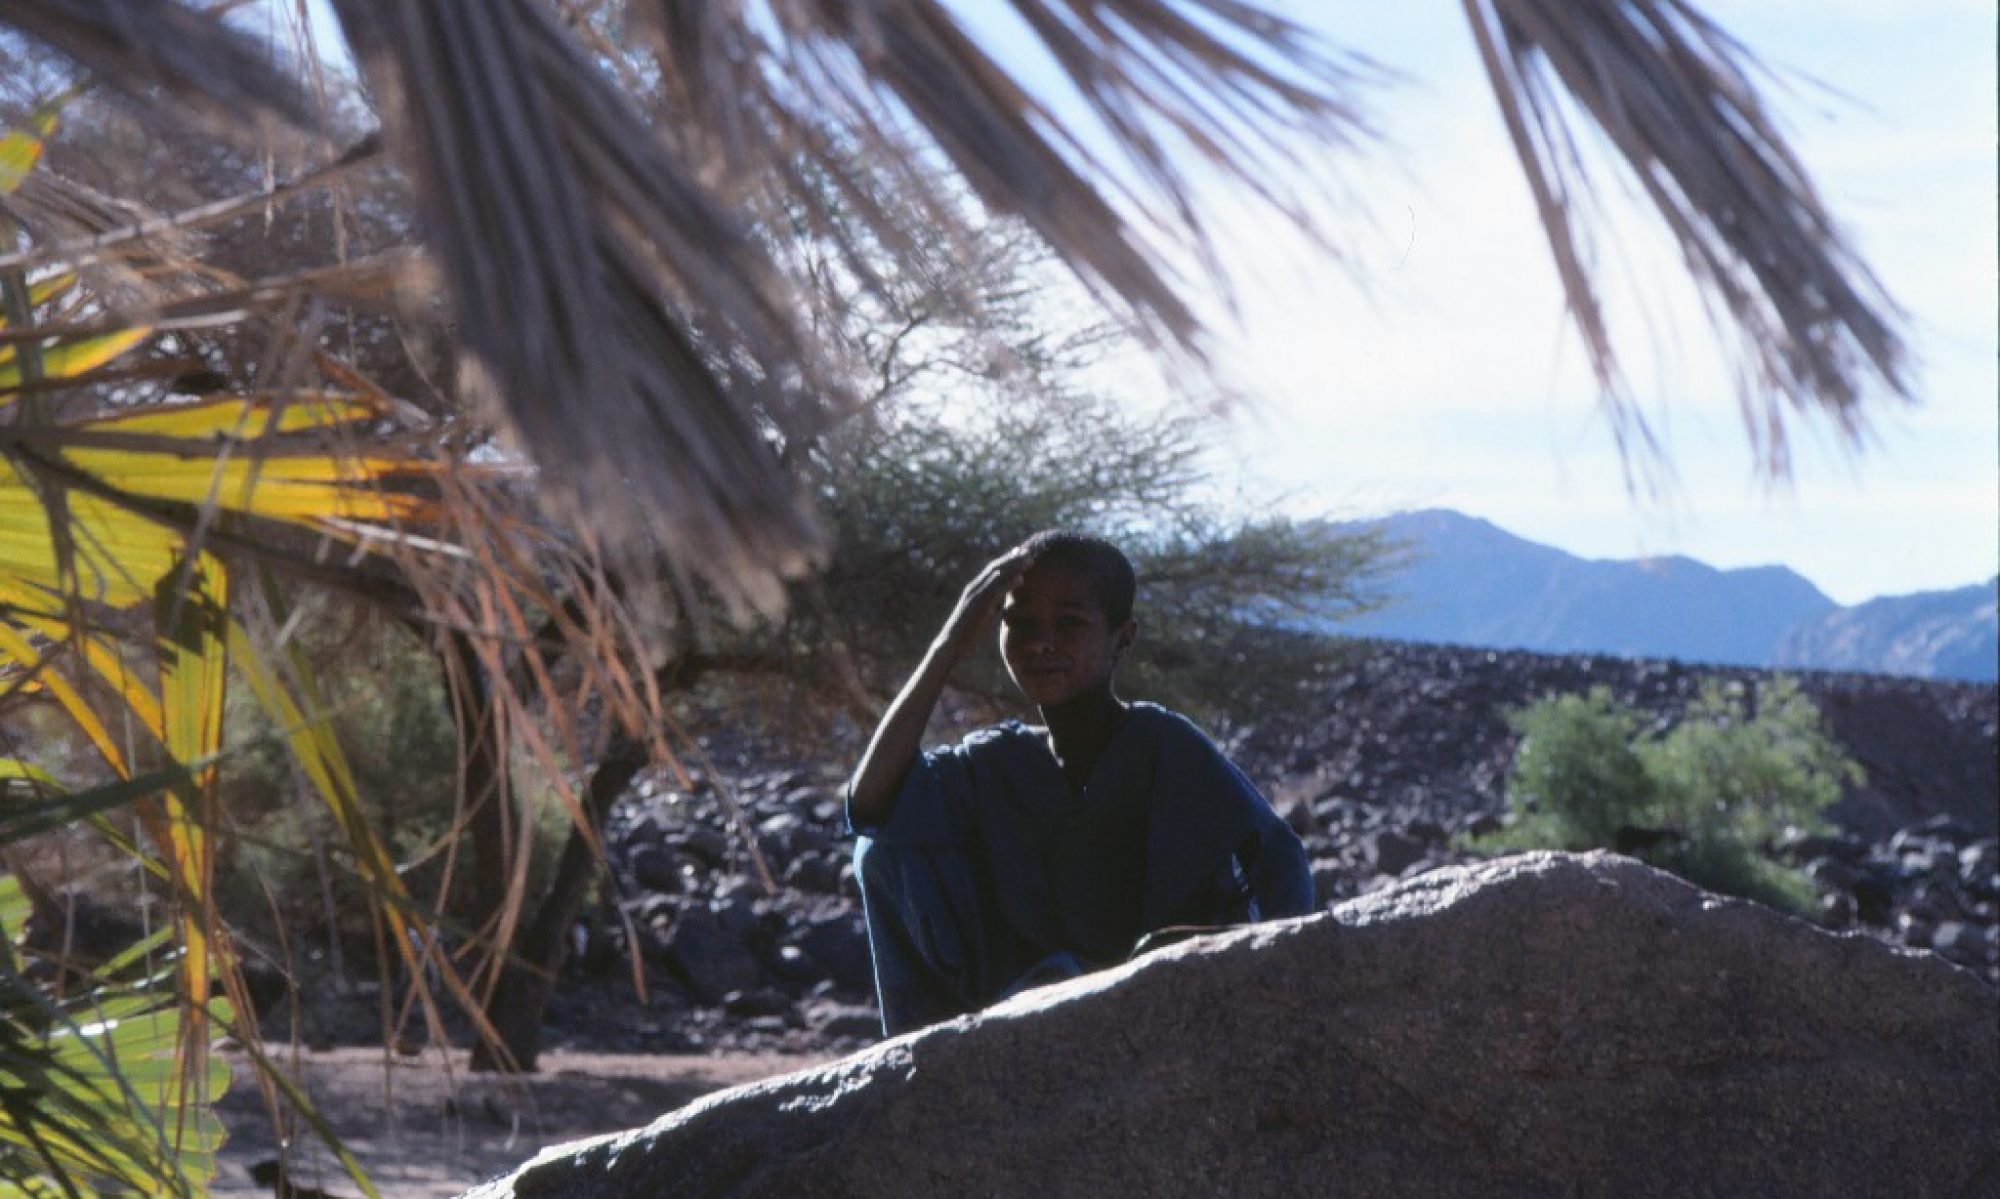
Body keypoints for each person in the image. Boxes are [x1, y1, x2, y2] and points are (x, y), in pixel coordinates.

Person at [846, 530, 1313, 1035]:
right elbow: (871, 806)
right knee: (884, 850)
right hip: (1029, 1003)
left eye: (1069, 623)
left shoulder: (1162, 744)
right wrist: (949, 643)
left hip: (1158, 999)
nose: (1040, 643)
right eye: (1019, 624)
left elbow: (1277, 869)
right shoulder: (996, 762)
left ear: (1122, 638)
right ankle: (930, 1054)